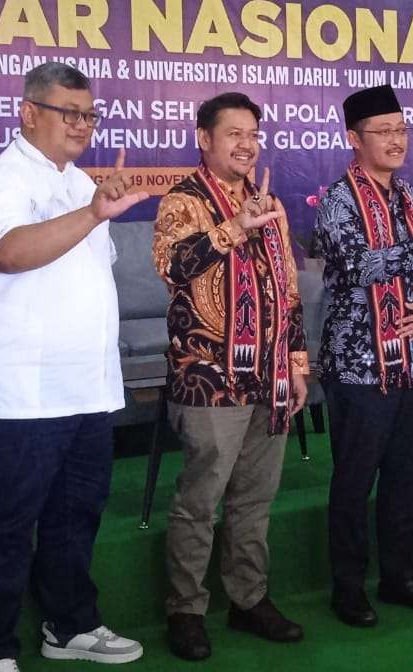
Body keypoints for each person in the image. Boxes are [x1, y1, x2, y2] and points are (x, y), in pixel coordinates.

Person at [0, 63, 146, 672]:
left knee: (76, 513)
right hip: (20, 387)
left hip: (84, 383)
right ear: (29, 112)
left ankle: (70, 625)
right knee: (7, 524)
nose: (82, 125)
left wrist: (93, 207)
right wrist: (92, 214)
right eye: (70, 113)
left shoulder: (80, 180)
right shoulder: (2, 180)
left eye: (89, 114)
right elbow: (10, 253)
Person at [151, 92, 308, 660]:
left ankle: (248, 600)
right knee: (200, 500)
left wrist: (296, 367)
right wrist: (231, 228)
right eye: (234, 133)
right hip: (207, 379)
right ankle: (187, 610)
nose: (247, 144)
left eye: (253, 134)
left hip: (269, 378)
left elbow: (286, 290)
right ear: (204, 138)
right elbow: (171, 268)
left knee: (253, 500)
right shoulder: (183, 200)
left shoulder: (270, 202)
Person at [314, 84, 413, 627]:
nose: (398, 140)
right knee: (355, 480)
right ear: (355, 139)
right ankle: (348, 586)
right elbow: (358, 267)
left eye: (402, 130)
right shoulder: (336, 200)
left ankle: (400, 576)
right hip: (358, 367)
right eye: (385, 132)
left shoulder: (408, 196)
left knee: (407, 477)